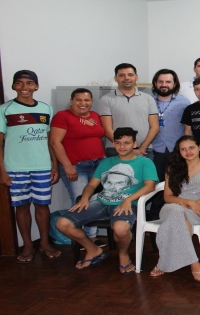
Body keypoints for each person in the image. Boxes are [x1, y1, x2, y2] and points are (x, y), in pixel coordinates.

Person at [56, 128, 158, 273]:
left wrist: (128, 200)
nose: (122, 147)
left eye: (126, 143)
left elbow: (150, 186)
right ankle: (93, 249)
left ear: (134, 144)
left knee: (120, 229)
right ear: (114, 144)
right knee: (62, 223)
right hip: (101, 202)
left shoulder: (144, 162)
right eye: (118, 143)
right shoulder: (106, 162)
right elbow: (92, 184)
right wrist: (84, 198)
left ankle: (123, 253)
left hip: (128, 204)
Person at [0, 70, 61, 262]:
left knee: (43, 205)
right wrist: (2, 171)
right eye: (19, 83)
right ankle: (27, 245)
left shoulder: (45, 109)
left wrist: (55, 165)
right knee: (22, 206)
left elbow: (52, 141)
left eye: (29, 83)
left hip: (42, 166)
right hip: (15, 168)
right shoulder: (5, 109)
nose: (24, 87)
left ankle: (43, 243)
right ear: (13, 86)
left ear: (36, 86)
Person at [149, 136, 200, 281]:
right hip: (172, 207)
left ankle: (162, 262)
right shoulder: (172, 168)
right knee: (176, 211)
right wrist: (189, 202)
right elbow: (168, 197)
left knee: (177, 218)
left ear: (199, 147)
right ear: (179, 151)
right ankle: (194, 263)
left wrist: (196, 204)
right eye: (183, 149)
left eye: (191, 147)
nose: (188, 151)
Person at [50, 88, 105, 247]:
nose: (83, 103)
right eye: (79, 100)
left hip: (97, 164)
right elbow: (55, 142)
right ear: (71, 101)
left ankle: (92, 237)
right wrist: (67, 166)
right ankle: (83, 239)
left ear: (92, 102)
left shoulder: (95, 116)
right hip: (76, 167)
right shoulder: (62, 116)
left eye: (86, 100)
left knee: (94, 201)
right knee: (81, 201)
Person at [98, 63, 159, 159]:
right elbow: (107, 129)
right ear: (115, 78)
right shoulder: (106, 99)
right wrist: (129, 149)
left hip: (144, 150)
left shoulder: (148, 98)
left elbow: (155, 127)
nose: (126, 78)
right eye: (121, 75)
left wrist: (142, 148)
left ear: (136, 77)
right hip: (116, 150)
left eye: (130, 75)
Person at [151, 69, 191, 181]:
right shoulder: (147, 101)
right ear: (155, 83)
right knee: (156, 183)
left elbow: (188, 127)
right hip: (154, 149)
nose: (164, 85)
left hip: (177, 149)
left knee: (177, 182)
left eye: (168, 82)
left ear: (174, 84)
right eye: (160, 82)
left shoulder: (184, 102)